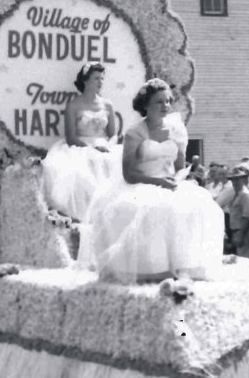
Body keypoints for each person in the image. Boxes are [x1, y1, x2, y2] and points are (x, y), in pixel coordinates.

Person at [79, 79, 224, 283]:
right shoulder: (134, 133)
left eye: (167, 101)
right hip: (141, 183)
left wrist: (185, 175)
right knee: (147, 209)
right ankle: (152, 270)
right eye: (159, 102)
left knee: (198, 205)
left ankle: (183, 267)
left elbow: (179, 165)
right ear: (146, 105)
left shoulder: (176, 130)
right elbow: (129, 174)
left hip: (170, 183)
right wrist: (159, 183)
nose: (165, 106)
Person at [41, 63, 121, 221]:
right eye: (96, 78)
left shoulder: (107, 104)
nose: (100, 82)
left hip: (105, 148)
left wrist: (108, 146)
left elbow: (114, 134)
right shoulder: (74, 105)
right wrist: (92, 148)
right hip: (81, 147)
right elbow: (71, 136)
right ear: (85, 80)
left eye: (102, 79)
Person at [227, 166, 249, 255]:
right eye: (233, 180)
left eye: (237, 179)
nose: (235, 182)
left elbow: (248, 216)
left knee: (246, 260)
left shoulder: (245, 195)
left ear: (243, 180)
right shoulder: (236, 195)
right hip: (237, 232)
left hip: (245, 233)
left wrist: (240, 234)